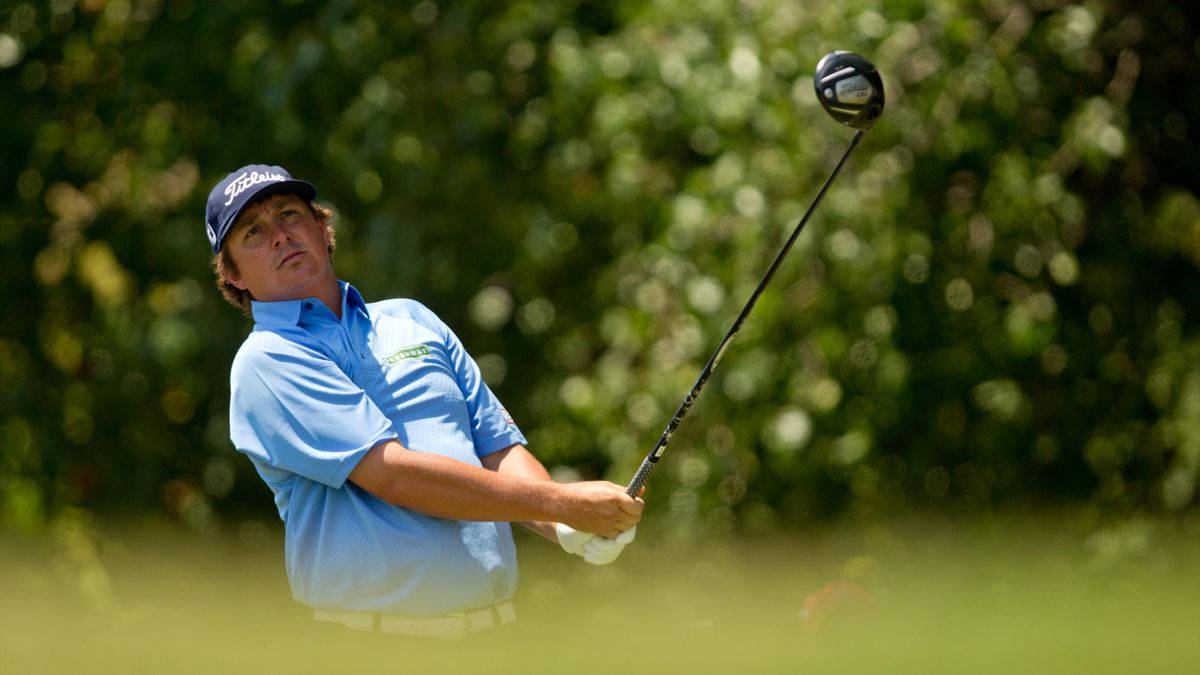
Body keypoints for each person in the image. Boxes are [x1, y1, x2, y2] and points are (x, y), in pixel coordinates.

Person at [205, 165, 643, 639]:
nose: (279, 236)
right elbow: (393, 474)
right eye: (254, 231)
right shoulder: (267, 360)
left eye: (289, 214)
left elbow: (496, 449)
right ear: (233, 274)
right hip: (371, 644)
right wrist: (563, 502)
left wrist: (565, 528)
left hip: (494, 634)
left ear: (321, 227)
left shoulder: (411, 319)